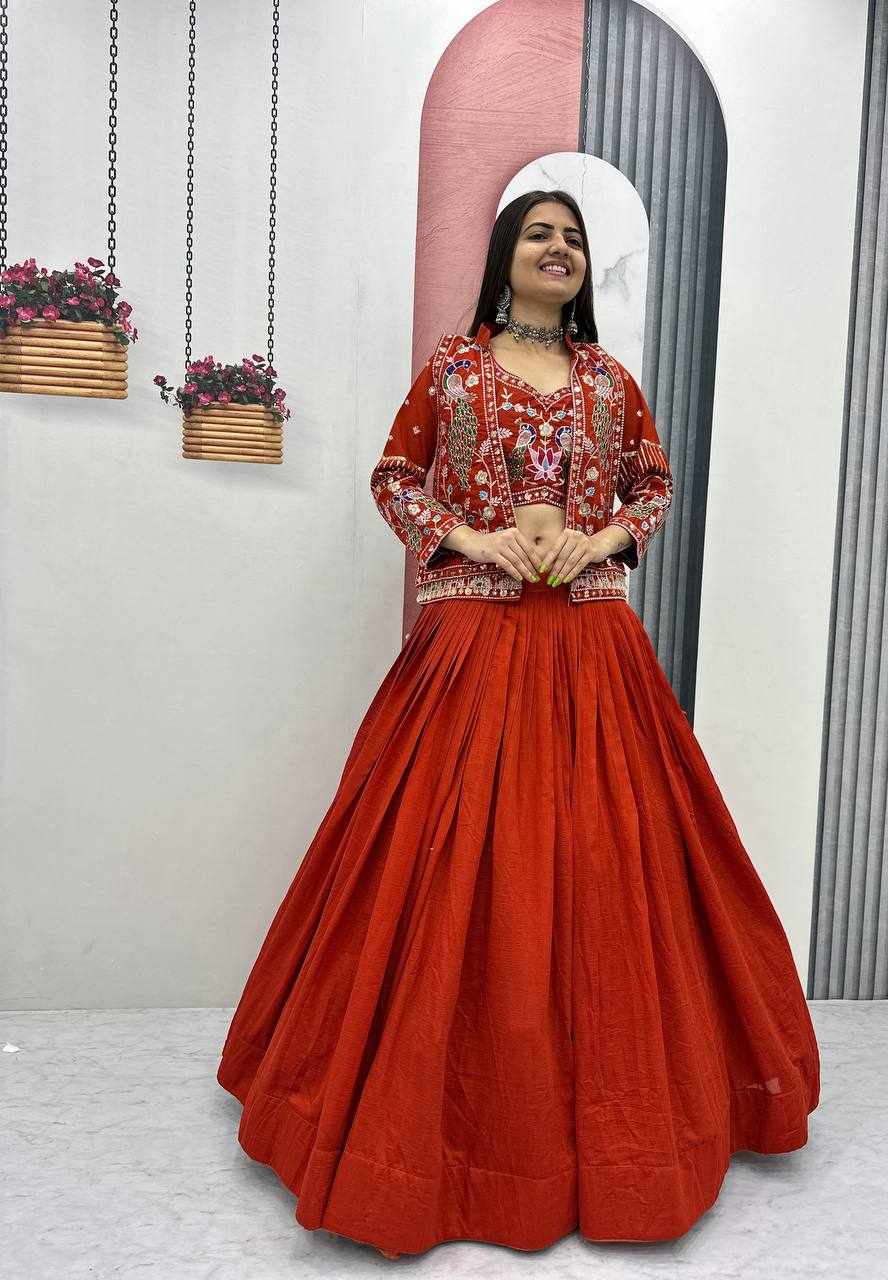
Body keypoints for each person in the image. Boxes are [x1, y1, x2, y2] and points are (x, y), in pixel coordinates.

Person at [216, 190, 821, 1260]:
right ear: (505, 255)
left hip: (592, 649)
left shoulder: (609, 381)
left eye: (573, 238)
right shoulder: (454, 370)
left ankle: (625, 1136)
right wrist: (468, 537)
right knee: (439, 860)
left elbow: (654, 484)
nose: (558, 249)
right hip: (473, 647)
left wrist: (605, 541)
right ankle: (417, 1133)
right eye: (540, 233)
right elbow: (394, 476)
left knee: (606, 862)